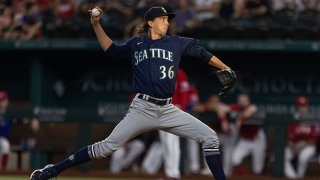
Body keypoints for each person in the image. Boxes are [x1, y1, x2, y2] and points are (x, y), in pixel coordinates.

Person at [30, 6, 236, 180]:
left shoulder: (175, 42)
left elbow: (201, 52)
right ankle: (53, 170)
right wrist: (96, 24)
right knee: (106, 147)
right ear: (150, 23)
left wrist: (224, 67)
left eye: (167, 20)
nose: (167, 22)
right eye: (162, 19)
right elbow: (110, 50)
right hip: (142, 108)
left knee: (210, 137)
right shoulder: (136, 44)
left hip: (168, 109)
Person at [284, 96, 319, 179]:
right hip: (295, 145)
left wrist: (299, 149)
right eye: (300, 106)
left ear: (307, 106)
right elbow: (290, 138)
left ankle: (300, 176)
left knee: (303, 157)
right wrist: (292, 148)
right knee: (283, 155)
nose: (302, 108)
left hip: (309, 145)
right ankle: (293, 177)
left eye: (304, 106)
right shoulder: (293, 119)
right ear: (297, 107)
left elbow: (313, 140)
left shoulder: (313, 118)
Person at [231, 93, 266, 175]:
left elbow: (252, 109)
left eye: (244, 100)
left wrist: (240, 119)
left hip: (257, 139)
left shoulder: (252, 107)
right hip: (245, 140)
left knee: (257, 169)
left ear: (248, 101)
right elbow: (223, 108)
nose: (242, 102)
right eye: (240, 100)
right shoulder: (235, 109)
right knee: (235, 159)